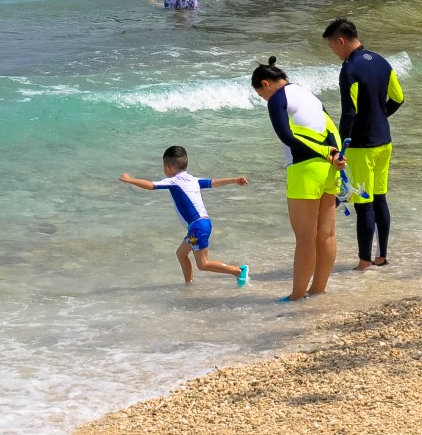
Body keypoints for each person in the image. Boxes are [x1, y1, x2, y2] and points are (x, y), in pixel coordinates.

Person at [250, 56, 344, 302]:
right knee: (326, 234)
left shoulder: (278, 99)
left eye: (262, 95)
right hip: (329, 169)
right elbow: (331, 129)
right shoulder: (308, 94)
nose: (265, 100)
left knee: (305, 238)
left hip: (305, 170)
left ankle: (297, 295)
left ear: (265, 84)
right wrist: (336, 156)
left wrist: (324, 153)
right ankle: (318, 290)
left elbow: (287, 136)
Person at [324, 19, 404, 269]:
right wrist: (379, 117)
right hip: (384, 142)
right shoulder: (382, 61)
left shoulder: (349, 69)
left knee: (364, 204)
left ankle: (364, 262)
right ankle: (381, 256)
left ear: (341, 41)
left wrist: (339, 147)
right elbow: (398, 98)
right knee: (380, 199)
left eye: (331, 46)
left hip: (361, 147)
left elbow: (349, 112)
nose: (333, 52)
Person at [119, 146, 249, 288]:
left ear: (167, 167)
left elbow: (151, 185)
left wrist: (130, 180)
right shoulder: (192, 180)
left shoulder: (173, 181)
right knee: (181, 254)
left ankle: (238, 271)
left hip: (198, 226)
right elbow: (213, 182)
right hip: (200, 224)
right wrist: (235, 180)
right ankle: (189, 285)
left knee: (203, 264)